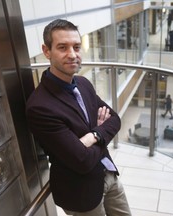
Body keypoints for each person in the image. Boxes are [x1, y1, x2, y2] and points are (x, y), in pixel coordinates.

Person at [26, 19, 131, 216]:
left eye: (76, 47)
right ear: (47, 51)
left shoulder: (83, 83)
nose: (72, 54)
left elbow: (115, 119)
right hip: (81, 192)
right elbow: (81, 160)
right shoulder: (40, 106)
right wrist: (102, 131)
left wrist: (94, 135)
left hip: (109, 174)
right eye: (62, 47)